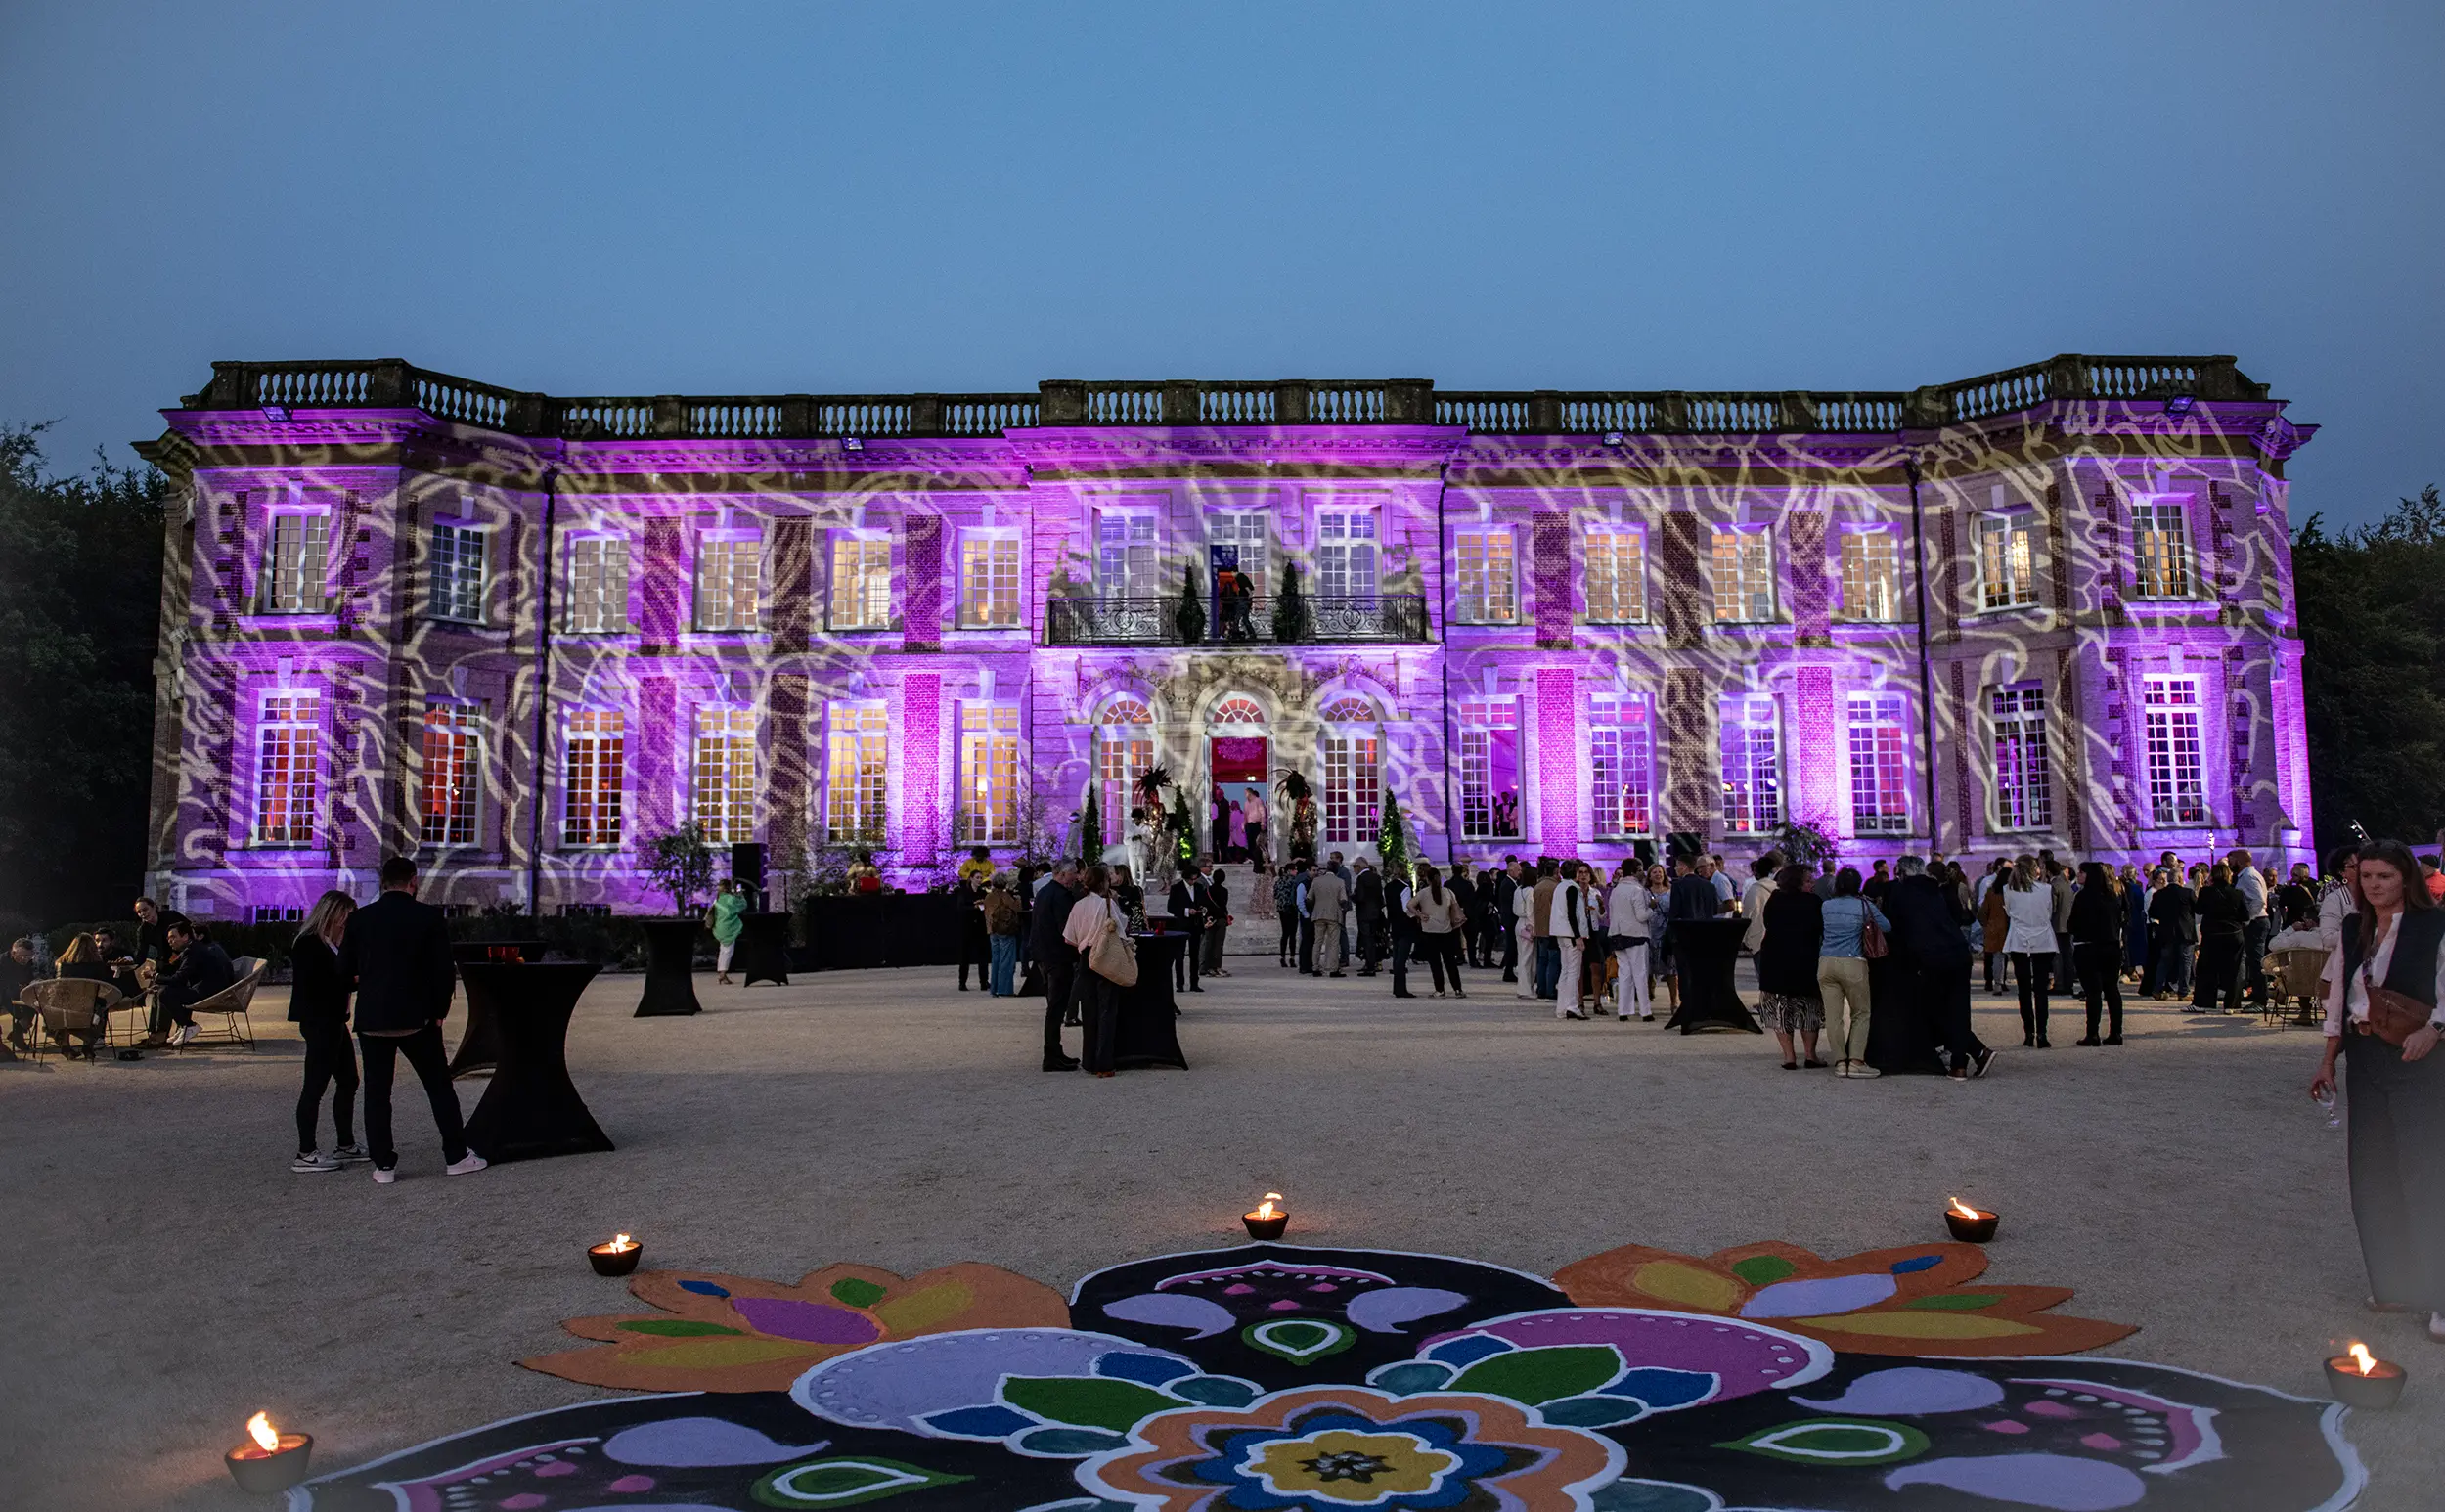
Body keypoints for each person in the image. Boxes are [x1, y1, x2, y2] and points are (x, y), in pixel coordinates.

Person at [2309, 840, 2445, 1343]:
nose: (2373, 886)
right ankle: (2395, 1284)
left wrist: (2434, 1029)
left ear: (2405, 877)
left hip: (2420, 1058)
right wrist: (2328, 1059)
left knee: (2426, 1170)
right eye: (2365, 877)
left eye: (2384, 877)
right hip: (2366, 1058)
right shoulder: (2353, 926)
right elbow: (2340, 995)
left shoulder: (2435, 924)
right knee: (2373, 1170)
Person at [338, 857, 482, 1183]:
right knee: (439, 1088)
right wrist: (439, 1011)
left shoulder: (360, 919)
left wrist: (365, 983)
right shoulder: (427, 917)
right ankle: (456, 1155)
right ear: (413, 881)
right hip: (417, 1016)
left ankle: (384, 1164)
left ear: (383, 881)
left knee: (377, 1093)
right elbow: (443, 971)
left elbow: (344, 971)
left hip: (373, 1017)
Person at [1889, 855, 1991, 1079]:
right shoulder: (1936, 890)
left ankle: (1973, 1053)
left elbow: (1896, 927)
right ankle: (1961, 1063)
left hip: (1932, 957)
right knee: (1959, 1008)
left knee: (1934, 1011)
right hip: (1958, 952)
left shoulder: (1902, 893)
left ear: (1903, 874)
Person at [288, 891, 367, 1173]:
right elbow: (324, 983)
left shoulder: (333, 944)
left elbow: (342, 978)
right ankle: (306, 1151)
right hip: (320, 1020)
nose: (349, 922)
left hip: (334, 1019)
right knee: (315, 1086)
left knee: (349, 1080)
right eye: (346, 915)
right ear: (333, 913)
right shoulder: (309, 945)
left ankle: (345, 1143)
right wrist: (355, 978)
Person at [1818, 867, 1890, 1078]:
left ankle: (1840, 1062)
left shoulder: (1826, 906)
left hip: (1826, 962)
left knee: (1833, 1017)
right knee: (1861, 1013)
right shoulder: (1864, 905)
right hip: (1853, 962)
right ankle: (1856, 1061)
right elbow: (1886, 927)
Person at [1064, 864, 1132, 1078]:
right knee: (1107, 1010)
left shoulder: (1078, 905)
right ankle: (1104, 1062)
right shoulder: (1107, 904)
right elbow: (1121, 931)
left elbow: (1068, 938)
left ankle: (1089, 1059)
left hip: (1085, 958)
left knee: (1090, 1010)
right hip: (1105, 956)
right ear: (1104, 882)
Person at [1756, 864, 1826, 1070]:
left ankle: (1789, 1057)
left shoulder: (1775, 899)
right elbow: (1820, 928)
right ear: (1797, 882)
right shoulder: (1814, 902)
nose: (1812, 884)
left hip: (1776, 959)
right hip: (1805, 960)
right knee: (1809, 1008)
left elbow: (1767, 923)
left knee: (1780, 1009)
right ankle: (1811, 1055)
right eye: (1808, 881)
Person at [145, 919, 234, 1048]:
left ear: (185, 936)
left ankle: (188, 1025)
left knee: (165, 993)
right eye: (169, 938)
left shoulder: (194, 951)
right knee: (168, 989)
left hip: (212, 993)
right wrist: (157, 972)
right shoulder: (192, 948)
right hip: (206, 989)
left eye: (173, 937)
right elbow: (172, 969)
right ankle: (183, 1026)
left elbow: (178, 978)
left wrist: (154, 976)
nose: (170, 941)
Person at [2067, 862, 2127, 1045]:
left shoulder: (2083, 897)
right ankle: (2116, 1031)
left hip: (2088, 947)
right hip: (2111, 946)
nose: (2078, 875)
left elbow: (2073, 924)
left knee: (2093, 992)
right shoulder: (2112, 896)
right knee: (2111, 990)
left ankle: (2092, 1033)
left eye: (2082, 872)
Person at [2002, 857, 2058, 1048]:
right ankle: (2042, 1033)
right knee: (2041, 990)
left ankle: (2029, 1032)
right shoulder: (2046, 889)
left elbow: (2009, 912)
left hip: (2019, 939)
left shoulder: (2008, 890)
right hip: (2042, 938)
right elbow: (2049, 912)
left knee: (2024, 990)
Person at [1031, 860, 1082, 1069]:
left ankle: (1054, 1051)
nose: (1077, 878)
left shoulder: (1044, 891)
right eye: (1074, 874)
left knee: (1055, 1005)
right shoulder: (1060, 896)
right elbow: (1067, 928)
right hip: (1058, 956)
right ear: (1063, 875)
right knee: (1056, 1006)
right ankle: (1051, 1055)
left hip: (1044, 955)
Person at [2194, 863, 2249, 1015]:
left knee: (2207, 969)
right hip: (2233, 933)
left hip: (2212, 934)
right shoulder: (2237, 893)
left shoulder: (2206, 892)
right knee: (2234, 970)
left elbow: (2198, 909)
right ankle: (2232, 1004)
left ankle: (2204, 1002)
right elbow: (2245, 916)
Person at [1408, 864, 1468, 998]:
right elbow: (1455, 908)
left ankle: (1440, 989)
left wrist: (1419, 914)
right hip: (1446, 930)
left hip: (1429, 930)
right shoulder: (1448, 892)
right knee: (1450, 962)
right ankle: (1458, 989)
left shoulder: (1423, 893)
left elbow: (1409, 905)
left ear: (1428, 880)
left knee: (1435, 963)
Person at [1607, 860, 1655, 1021]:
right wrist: (1652, 909)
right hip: (1636, 934)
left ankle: (1623, 1010)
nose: (1643, 872)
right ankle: (1645, 1011)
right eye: (1641, 869)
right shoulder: (1637, 890)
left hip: (1617, 934)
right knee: (1640, 973)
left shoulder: (1616, 890)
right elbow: (1641, 916)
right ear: (1636, 871)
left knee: (1624, 973)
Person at [2146, 867, 2197, 1000]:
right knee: (2185, 962)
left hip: (2166, 933)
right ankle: (2183, 991)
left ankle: (2157, 989)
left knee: (2164, 962)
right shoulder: (2188, 893)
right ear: (2180, 879)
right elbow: (2197, 909)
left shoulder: (2159, 894)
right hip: (2185, 933)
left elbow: (2152, 913)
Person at [1549, 860, 1589, 1019]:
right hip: (1571, 933)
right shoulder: (1572, 888)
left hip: (1560, 932)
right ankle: (1572, 1006)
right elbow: (1572, 914)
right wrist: (1578, 935)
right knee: (1573, 972)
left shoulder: (1560, 887)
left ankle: (1562, 1007)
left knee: (1565, 971)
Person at [2231, 848, 2270, 1006]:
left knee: (2256, 961)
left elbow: (2258, 900)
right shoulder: (2246, 876)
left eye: (2231, 859)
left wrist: (2247, 919)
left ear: (2239, 861)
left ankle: (2261, 998)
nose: (2229, 863)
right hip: (2256, 921)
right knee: (2252, 961)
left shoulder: (2249, 877)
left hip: (2256, 922)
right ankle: (2256, 994)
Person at [1167, 862, 1210, 994]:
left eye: (1195, 879)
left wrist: (1202, 910)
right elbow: (1171, 907)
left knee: (1194, 955)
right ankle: (1180, 983)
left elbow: (1203, 903)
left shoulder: (1199, 887)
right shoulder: (1176, 888)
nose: (1193, 881)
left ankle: (1194, 983)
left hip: (1195, 925)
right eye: (1191, 879)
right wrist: (1186, 911)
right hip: (1180, 925)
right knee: (1179, 956)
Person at [1306, 859, 1348, 978]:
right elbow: (1343, 899)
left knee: (1317, 941)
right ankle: (1333, 969)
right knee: (1334, 942)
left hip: (1318, 914)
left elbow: (1309, 898)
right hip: (1333, 914)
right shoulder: (1339, 882)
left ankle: (1315, 967)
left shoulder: (1317, 881)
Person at [983, 872, 1024, 996]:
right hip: (1006, 931)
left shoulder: (988, 897)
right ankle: (1005, 989)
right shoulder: (1007, 897)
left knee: (995, 959)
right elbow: (1018, 909)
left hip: (992, 931)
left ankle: (994, 988)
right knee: (1006, 961)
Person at [706, 878, 748, 985]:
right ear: (728, 887)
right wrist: (740, 895)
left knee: (723, 950)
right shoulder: (730, 899)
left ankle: (721, 972)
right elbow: (742, 905)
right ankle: (722, 974)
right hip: (728, 928)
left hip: (718, 927)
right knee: (728, 951)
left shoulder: (718, 899)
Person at [2321, 848, 2361, 953]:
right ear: (2342, 872)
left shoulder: (2373, 894)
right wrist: (2363, 931)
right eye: (2355, 867)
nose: (2362, 870)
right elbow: (2327, 939)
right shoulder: (2334, 899)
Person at [1, 937, 36, 1057]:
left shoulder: (27, 961)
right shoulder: (2, 963)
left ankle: (17, 1033)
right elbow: (4, 996)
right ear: (13, 952)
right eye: (23, 956)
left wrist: (35, 982)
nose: (25, 959)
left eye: (29, 956)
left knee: (34, 1004)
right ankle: (18, 1034)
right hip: (2, 993)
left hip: (15, 991)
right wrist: (20, 1017)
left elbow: (28, 979)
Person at [1352, 858, 1385, 976]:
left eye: (1354, 867)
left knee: (1367, 940)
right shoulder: (1376, 877)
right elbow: (1380, 897)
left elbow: (1360, 896)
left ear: (1359, 867)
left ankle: (1370, 966)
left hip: (1364, 913)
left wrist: (1352, 897)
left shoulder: (1361, 878)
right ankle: (1372, 963)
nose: (1354, 869)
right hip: (1375, 912)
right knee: (1372, 939)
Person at [1491, 857, 1523, 979]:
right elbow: (1509, 904)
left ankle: (1509, 970)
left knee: (1512, 946)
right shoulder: (1507, 884)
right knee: (1511, 946)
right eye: (1518, 870)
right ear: (1511, 871)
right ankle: (1508, 971)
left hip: (1510, 920)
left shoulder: (1511, 883)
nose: (1520, 872)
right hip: (1510, 920)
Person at [1449, 861, 1482, 970]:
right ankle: (1472, 959)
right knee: (1470, 938)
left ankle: (1459, 956)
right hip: (1467, 912)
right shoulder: (1468, 884)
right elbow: (1472, 900)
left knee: (1455, 936)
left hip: (1453, 911)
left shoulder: (1448, 884)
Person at [1203, 867, 1232, 977]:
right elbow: (1224, 905)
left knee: (1209, 943)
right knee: (1218, 945)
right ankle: (1217, 966)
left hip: (1210, 919)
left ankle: (1208, 967)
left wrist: (1208, 917)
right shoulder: (1224, 891)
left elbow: (1205, 905)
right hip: (1220, 919)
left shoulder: (1207, 890)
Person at [1273, 864, 1303, 966]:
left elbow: (1275, 895)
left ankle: (1282, 957)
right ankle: (1292, 958)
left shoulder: (1279, 881)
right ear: (1290, 871)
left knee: (1284, 934)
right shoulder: (1294, 881)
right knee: (1292, 934)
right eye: (1295, 870)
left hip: (1282, 909)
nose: (1296, 872)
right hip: (1291, 909)